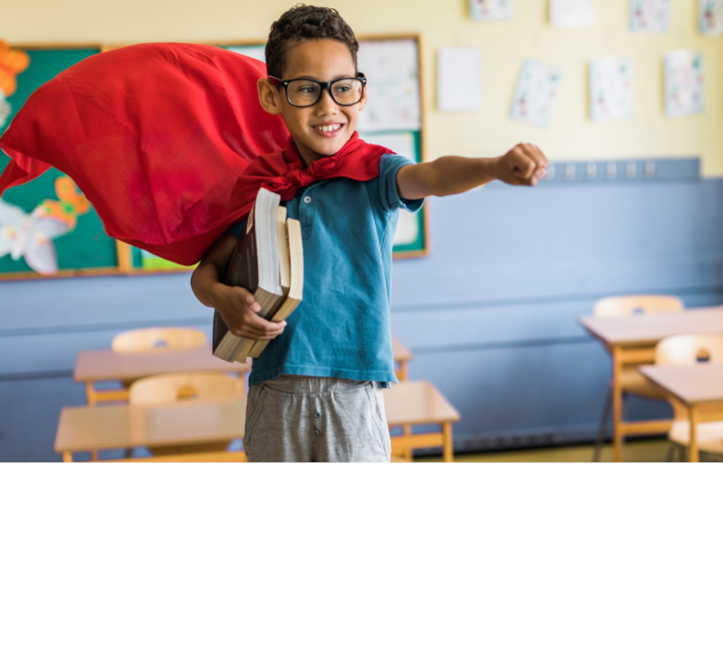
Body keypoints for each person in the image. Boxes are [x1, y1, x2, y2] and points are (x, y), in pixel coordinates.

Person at [192, 4, 548, 462]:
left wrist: (495, 167)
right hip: (274, 389)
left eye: (343, 88)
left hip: (355, 391)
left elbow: (433, 176)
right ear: (271, 95)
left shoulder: (374, 171)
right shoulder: (260, 184)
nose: (327, 107)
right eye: (305, 89)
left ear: (361, 94)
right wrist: (224, 298)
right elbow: (206, 275)